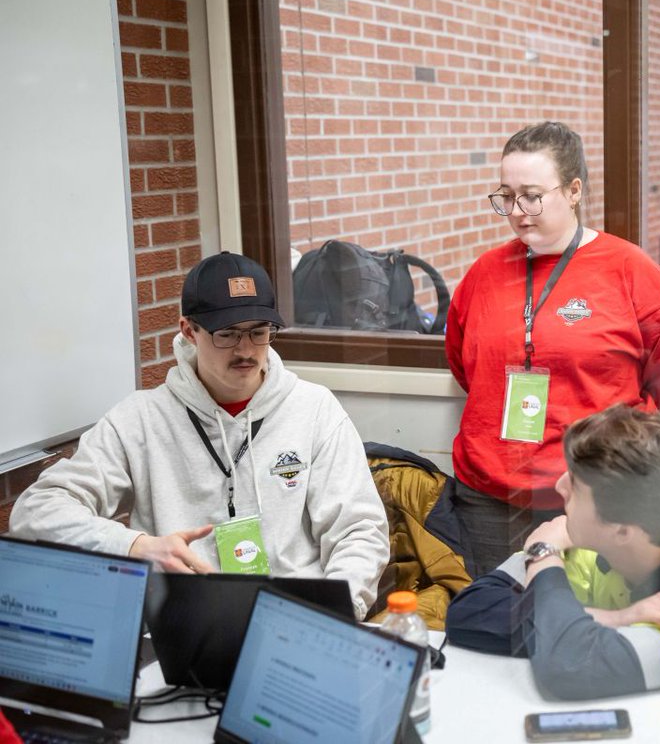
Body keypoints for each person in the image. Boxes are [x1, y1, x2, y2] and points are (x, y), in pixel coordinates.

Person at [10, 252, 389, 620]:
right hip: (182, 623)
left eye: (258, 333)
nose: (245, 350)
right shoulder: (141, 419)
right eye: (227, 334)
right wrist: (133, 545)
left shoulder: (314, 409)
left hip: (293, 619)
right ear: (189, 331)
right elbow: (37, 511)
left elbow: (359, 532)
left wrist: (333, 615)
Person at [445, 121, 660, 575]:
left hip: (591, 496)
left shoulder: (627, 269)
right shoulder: (484, 273)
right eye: (507, 196)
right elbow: (464, 363)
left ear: (573, 191)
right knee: (492, 611)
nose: (518, 211)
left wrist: (623, 440)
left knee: (582, 613)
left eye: (532, 196)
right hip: (486, 494)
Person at [444, 404, 660, 700]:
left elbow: (568, 667)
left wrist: (542, 556)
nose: (559, 486)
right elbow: (469, 612)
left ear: (622, 530)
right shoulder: (594, 541)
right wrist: (617, 619)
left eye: (575, 485)